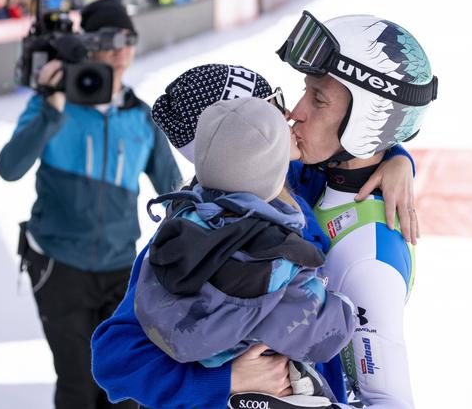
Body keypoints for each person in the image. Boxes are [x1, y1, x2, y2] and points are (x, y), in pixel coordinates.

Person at [90, 61, 422, 408]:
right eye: (272, 112)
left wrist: (397, 158)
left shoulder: (294, 184)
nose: (292, 115)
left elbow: (346, 153)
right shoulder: (185, 244)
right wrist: (225, 380)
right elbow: (113, 356)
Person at [0, 0, 182, 409]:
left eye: (128, 38)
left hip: (120, 271)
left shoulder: (140, 115)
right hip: (59, 268)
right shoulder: (51, 105)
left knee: (125, 387)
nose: (120, 49)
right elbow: (9, 168)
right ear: (88, 45)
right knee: (78, 385)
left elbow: (174, 189)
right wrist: (50, 107)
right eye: (108, 38)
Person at [136, 97, 357, 406]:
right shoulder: (273, 255)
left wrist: (396, 159)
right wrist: (345, 310)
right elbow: (318, 334)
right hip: (258, 387)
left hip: (190, 358)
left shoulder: (177, 227)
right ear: (275, 173)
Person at [273, 11, 439, 409]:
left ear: (366, 125)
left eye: (318, 100)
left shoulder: (369, 261)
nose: (295, 111)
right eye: (305, 91)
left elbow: (390, 402)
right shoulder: (311, 174)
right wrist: (398, 155)